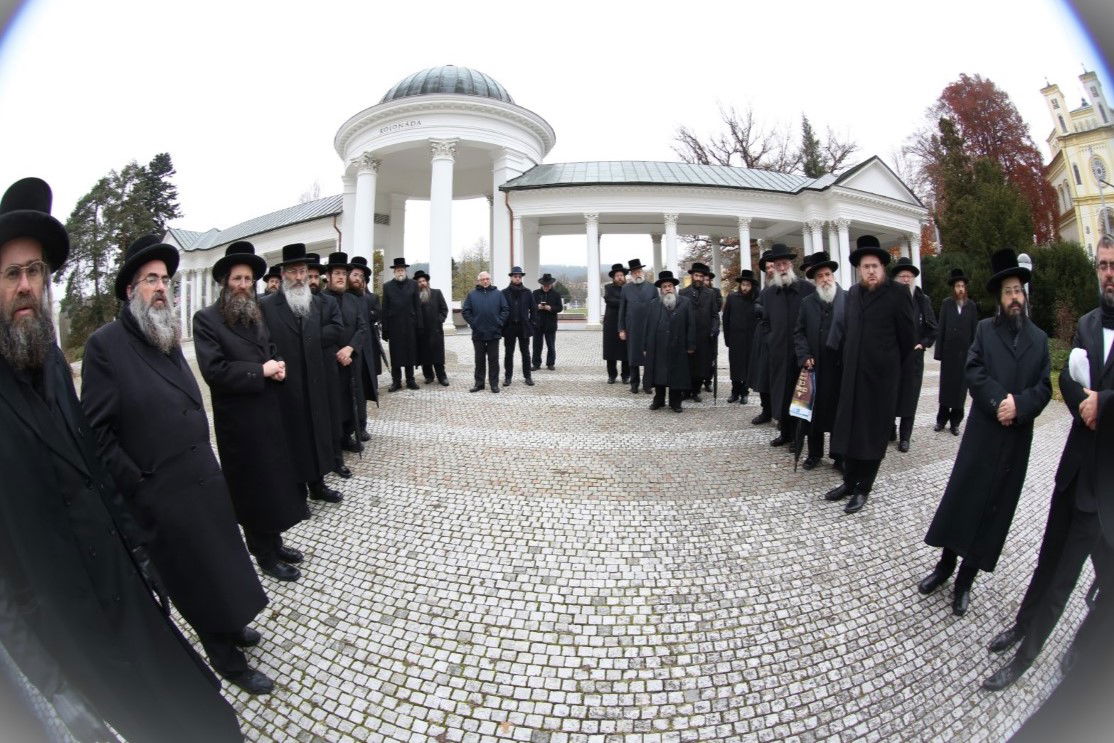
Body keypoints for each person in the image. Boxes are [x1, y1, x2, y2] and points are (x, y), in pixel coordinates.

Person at [0, 177, 244, 741]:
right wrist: (48, 686)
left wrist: (138, 551)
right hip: (64, 625)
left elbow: (91, 464)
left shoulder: (53, 363)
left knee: (205, 716)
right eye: (12, 273)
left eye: (35, 271)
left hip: (122, 584)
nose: (27, 286)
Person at [82, 233, 273, 694]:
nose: (162, 287)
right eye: (151, 280)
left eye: (166, 279)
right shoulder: (105, 346)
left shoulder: (163, 333)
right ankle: (226, 659)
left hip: (202, 476)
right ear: (131, 290)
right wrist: (140, 483)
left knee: (223, 563)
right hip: (162, 490)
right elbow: (97, 434)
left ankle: (234, 626)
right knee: (196, 577)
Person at [981, 237, 1113, 691]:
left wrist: (1105, 404)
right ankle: (1022, 623)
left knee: (1066, 578)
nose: (1108, 273)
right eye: (1102, 265)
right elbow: (1066, 381)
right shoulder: (1088, 324)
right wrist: (1082, 404)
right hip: (1073, 468)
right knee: (1046, 559)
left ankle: (1026, 656)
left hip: (1106, 489)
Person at [918, 249, 1051, 619]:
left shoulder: (1039, 339)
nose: (1014, 297)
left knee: (993, 510)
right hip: (983, 434)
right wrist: (998, 401)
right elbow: (973, 371)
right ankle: (944, 568)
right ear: (999, 297)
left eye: (1018, 291)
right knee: (964, 499)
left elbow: (1045, 388)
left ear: (1024, 295)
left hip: (1015, 440)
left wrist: (1019, 406)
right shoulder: (984, 330)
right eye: (1008, 291)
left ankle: (965, 581)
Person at [192, 241, 308, 583]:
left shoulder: (255, 312)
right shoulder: (206, 320)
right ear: (225, 282)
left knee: (273, 483)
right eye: (237, 279)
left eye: (248, 279)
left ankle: (275, 541)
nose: (244, 285)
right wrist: (261, 371)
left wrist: (279, 365)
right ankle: (264, 554)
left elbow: (269, 348)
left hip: (268, 413)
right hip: (239, 424)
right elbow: (215, 371)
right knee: (253, 490)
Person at [822, 235, 916, 514]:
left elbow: (907, 341)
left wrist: (895, 378)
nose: (871, 271)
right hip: (852, 380)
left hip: (881, 381)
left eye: (875, 266)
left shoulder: (898, 294)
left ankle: (864, 488)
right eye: (865, 267)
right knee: (849, 432)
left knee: (872, 435)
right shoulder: (852, 295)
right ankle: (849, 482)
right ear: (859, 270)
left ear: (883, 268)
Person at [260, 242, 344, 504]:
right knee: (293, 439)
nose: (299, 278)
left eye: (303, 272)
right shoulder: (266, 306)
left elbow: (335, 329)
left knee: (316, 434)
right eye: (293, 272)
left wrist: (313, 340)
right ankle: (297, 493)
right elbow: (263, 342)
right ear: (283, 273)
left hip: (316, 380)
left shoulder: (317, 303)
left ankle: (318, 484)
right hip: (287, 383)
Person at [759, 244, 816, 447]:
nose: (781, 267)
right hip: (778, 353)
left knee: (799, 396)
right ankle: (785, 433)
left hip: (800, 354)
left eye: (784, 263)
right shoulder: (768, 293)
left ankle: (799, 437)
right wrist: (771, 339)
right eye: (777, 264)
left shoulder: (807, 289)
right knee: (781, 394)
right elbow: (765, 321)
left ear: (790, 264)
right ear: (773, 266)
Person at [793, 252, 845, 470]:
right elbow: (799, 333)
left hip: (839, 368)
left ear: (833, 275)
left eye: (828, 274)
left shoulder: (847, 299)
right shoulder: (807, 303)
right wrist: (804, 356)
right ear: (815, 280)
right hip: (814, 369)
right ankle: (814, 454)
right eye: (820, 276)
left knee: (838, 414)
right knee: (812, 414)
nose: (825, 279)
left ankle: (839, 456)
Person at [323, 252, 369, 459]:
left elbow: (362, 327)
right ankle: (335, 436)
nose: (341, 277)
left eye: (344, 273)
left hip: (352, 358)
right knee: (335, 400)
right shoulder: (320, 300)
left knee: (354, 398)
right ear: (329, 277)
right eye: (337, 273)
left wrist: (350, 348)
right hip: (330, 360)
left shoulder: (353, 299)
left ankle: (348, 435)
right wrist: (337, 352)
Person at [890, 257, 937, 452]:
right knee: (890, 396)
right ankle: (888, 430)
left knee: (910, 399)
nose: (906, 280)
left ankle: (905, 437)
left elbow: (933, 329)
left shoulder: (922, 300)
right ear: (896, 279)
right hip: (892, 358)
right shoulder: (889, 299)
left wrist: (922, 344)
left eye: (909, 276)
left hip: (914, 359)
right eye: (902, 276)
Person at [642, 270, 696, 412]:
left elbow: (691, 325)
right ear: (661, 289)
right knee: (659, 374)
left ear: (674, 287)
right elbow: (648, 325)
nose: (667, 289)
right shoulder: (654, 304)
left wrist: (691, 345)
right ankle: (659, 400)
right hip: (658, 346)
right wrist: (646, 345)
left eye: (670, 286)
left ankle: (675, 402)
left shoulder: (685, 303)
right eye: (665, 286)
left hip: (678, 345)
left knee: (676, 374)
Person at [934, 268, 978, 435]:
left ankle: (955, 422)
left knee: (960, 391)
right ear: (953, 288)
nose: (960, 289)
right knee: (946, 389)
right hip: (949, 355)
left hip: (965, 356)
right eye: (958, 286)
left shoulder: (971, 306)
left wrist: (975, 354)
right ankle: (941, 420)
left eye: (962, 286)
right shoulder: (946, 304)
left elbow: (974, 331)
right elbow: (941, 328)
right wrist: (939, 353)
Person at [348, 255, 384, 436]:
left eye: (361, 277)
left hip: (365, 352)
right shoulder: (342, 297)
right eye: (355, 275)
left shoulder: (365, 298)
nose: (358, 279)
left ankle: (361, 426)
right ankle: (348, 429)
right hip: (348, 352)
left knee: (361, 391)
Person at [462, 271, 509, 393]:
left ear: (490, 280)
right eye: (482, 279)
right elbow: (466, 311)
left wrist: (499, 322)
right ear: (479, 281)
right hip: (478, 333)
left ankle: (494, 384)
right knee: (479, 360)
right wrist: (474, 323)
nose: (485, 281)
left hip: (494, 332)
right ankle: (479, 383)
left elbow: (505, 310)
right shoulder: (472, 295)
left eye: (487, 279)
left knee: (493, 360)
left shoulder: (498, 294)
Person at [679, 262, 720, 401]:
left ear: (704, 278)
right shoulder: (683, 293)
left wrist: (715, 328)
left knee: (701, 366)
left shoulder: (711, 294)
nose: (698, 278)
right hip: (688, 337)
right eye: (696, 275)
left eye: (701, 276)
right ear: (691, 276)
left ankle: (696, 391)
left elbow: (715, 315)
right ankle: (686, 391)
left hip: (704, 337)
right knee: (687, 365)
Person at [381, 256, 423, 391]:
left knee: (410, 353)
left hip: (410, 325)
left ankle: (410, 380)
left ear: (405, 271)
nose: (400, 272)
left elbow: (417, 306)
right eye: (398, 270)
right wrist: (385, 329)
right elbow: (385, 308)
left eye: (402, 269)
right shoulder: (387, 286)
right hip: (394, 327)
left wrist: (420, 325)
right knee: (396, 355)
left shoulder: (413, 284)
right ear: (394, 272)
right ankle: (396, 381)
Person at [618, 258, 657, 394]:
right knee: (633, 357)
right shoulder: (625, 289)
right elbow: (622, 310)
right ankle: (634, 384)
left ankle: (647, 384)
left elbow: (657, 309)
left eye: (639, 271)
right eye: (634, 272)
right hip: (632, 328)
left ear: (643, 272)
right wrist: (621, 328)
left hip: (649, 328)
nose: (637, 274)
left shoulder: (652, 288)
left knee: (648, 357)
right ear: (631, 274)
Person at [723, 270, 759, 404]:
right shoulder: (732, 297)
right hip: (735, 339)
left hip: (750, 339)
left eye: (748, 285)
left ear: (752, 286)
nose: (745, 288)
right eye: (743, 284)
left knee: (747, 367)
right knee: (735, 367)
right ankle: (734, 392)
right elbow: (726, 319)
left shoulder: (756, 299)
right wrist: (727, 339)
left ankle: (745, 392)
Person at [750, 250, 775, 423]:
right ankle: (766, 410)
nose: (771, 270)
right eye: (768, 268)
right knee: (763, 376)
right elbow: (758, 304)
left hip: (780, 338)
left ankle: (781, 414)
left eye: (773, 266)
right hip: (763, 338)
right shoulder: (765, 289)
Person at [501, 266, 536, 386]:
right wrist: (502, 325)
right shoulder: (504, 293)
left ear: (521, 278)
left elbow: (534, 310)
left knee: (525, 353)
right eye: (515, 276)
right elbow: (500, 310)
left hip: (523, 327)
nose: (517, 278)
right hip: (509, 327)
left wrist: (531, 324)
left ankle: (528, 377)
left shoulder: (527, 292)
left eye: (519, 277)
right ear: (511, 277)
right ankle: (507, 377)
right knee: (508, 353)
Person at [414, 270, 450, 386]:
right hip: (422, 331)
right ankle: (428, 376)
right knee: (425, 355)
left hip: (436, 330)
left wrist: (440, 320)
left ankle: (442, 377)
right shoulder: (415, 297)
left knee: (438, 356)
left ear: (427, 282)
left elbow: (444, 309)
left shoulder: (436, 293)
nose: (422, 283)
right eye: (419, 282)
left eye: (424, 281)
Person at [603, 263, 629, 384]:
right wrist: (624, 302)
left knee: (626, 350)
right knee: (610, 351)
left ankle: (625, 376)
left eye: (621, 275)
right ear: (613, 277)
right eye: (617, 275)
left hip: (626, 322)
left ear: (624, 277)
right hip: (611, 323)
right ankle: (612, 375)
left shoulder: (629, 288)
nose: (620, 277)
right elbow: (610, 300)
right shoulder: (608, 288)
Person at [532, 273, 563, 370]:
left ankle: (550, 363)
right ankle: (536, 364)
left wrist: (551, 308)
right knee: (537, 345)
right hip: (537, 323)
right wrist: (537, 307)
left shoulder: (556, 294)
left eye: (547, 285)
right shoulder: (535, 293)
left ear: (551, 284)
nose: (546, 287)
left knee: (551, 345)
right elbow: (531, 306)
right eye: (544, 285)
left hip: (550, 324)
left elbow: (560, 308)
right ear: (541, 284)